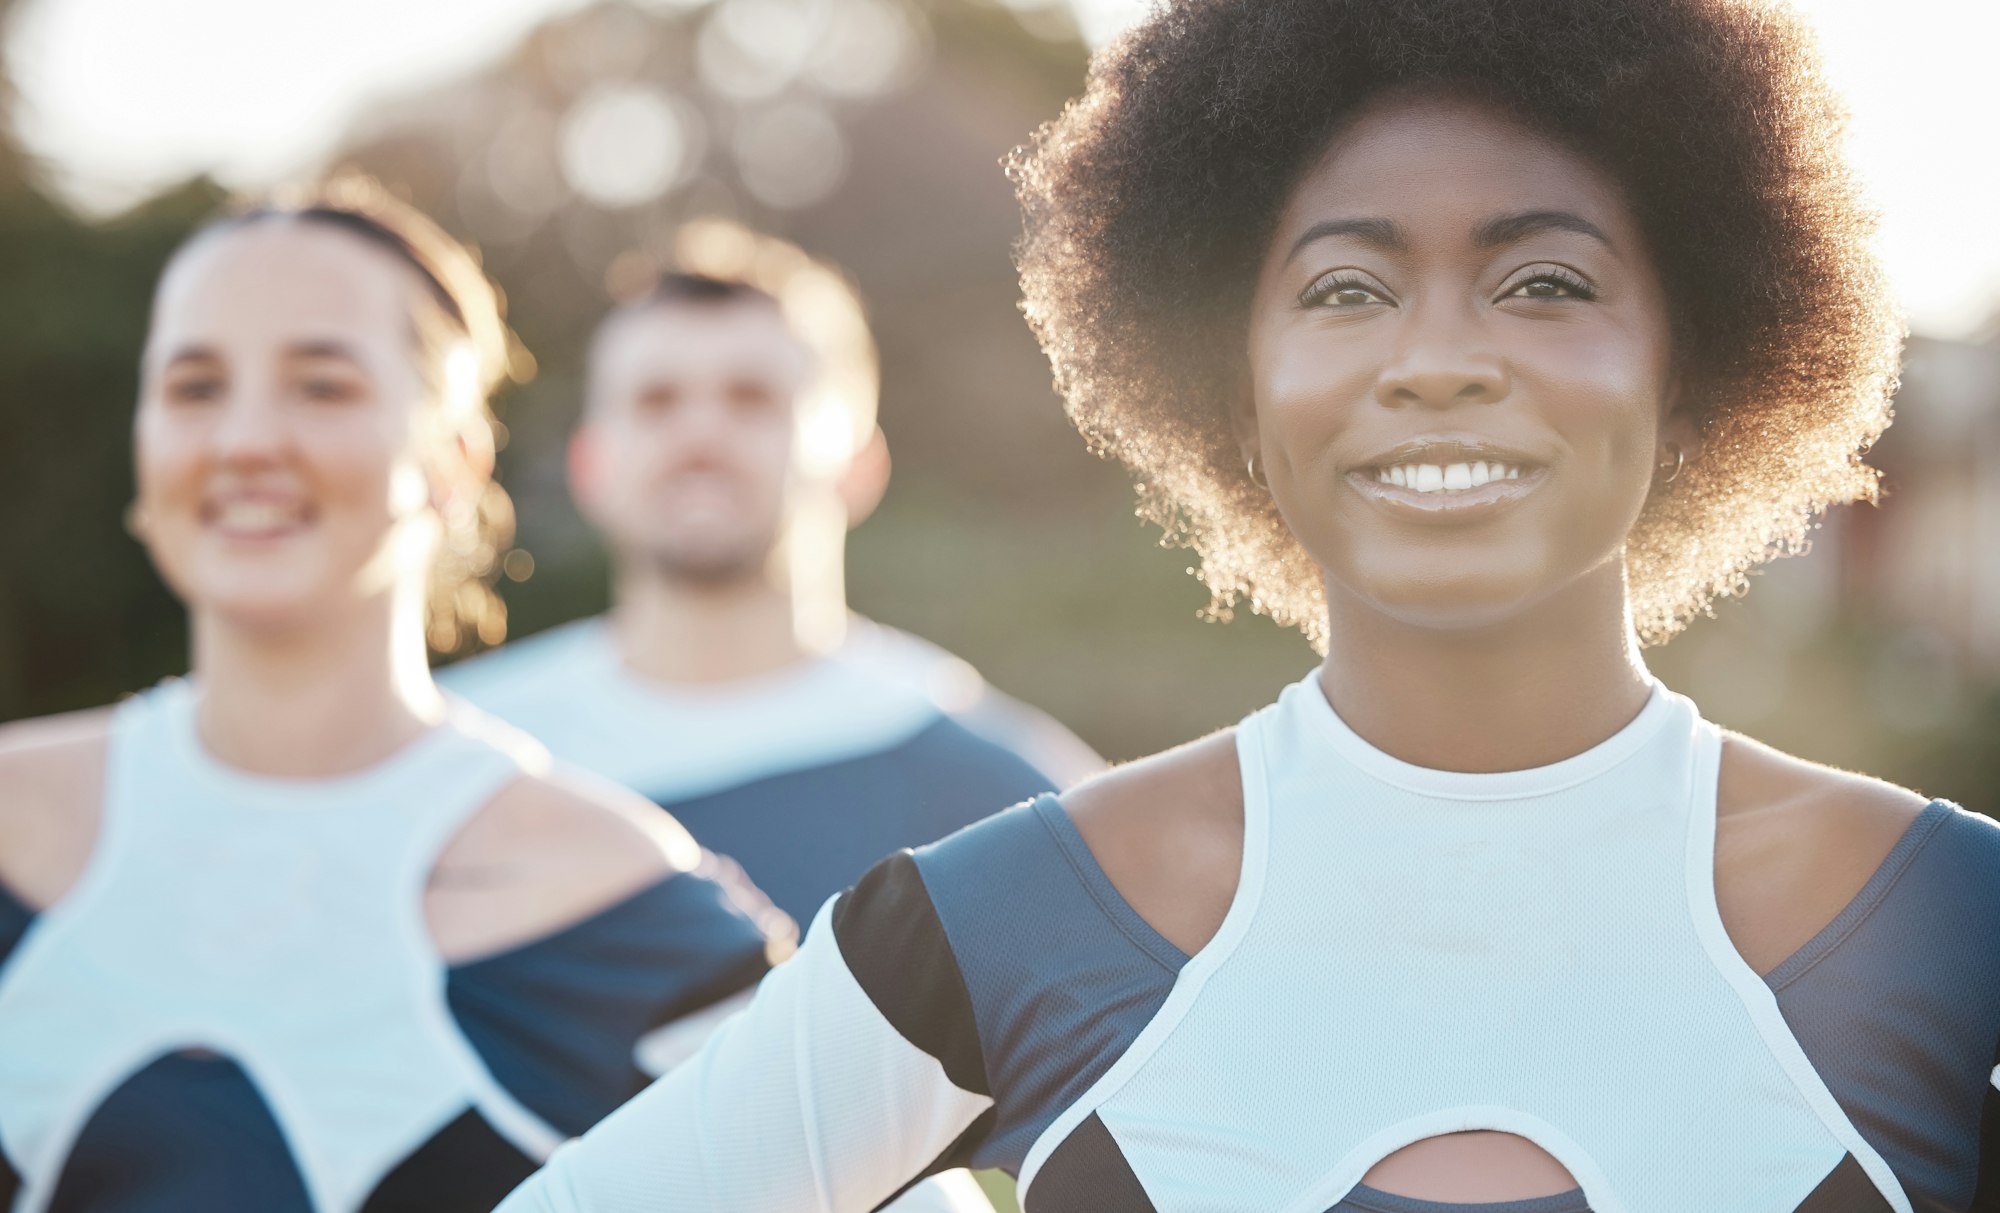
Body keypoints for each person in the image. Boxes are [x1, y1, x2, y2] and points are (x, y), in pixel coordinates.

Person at [495, 0, 2000, 1209]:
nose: (1436, 359)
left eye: (1544, 281)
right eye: (1346, 290)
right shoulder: (1003, 921)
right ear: (1239, 399)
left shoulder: (1956, 922)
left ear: (1697, 370)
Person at [0, 183, 789, 1213]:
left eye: (320, 385)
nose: (243, 441)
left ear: (452, 462)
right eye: (195, 386)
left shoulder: (620, 903)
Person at [439, 221, 1100, 932]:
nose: (699, 436)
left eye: (752, 397)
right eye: (656, 400)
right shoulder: (457, 758)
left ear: (860, 464)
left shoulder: (1009, 798)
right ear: (590, 466)